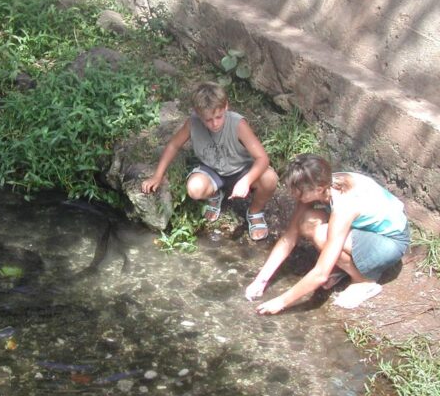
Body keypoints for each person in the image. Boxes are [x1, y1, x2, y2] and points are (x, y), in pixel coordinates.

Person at [245, 154, 411, 313]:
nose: (294, 195)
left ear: (318, 189)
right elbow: (289, 236)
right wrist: (261, 280)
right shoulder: (323, 182)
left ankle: (364, 281)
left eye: (298, 192)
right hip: (367, 231)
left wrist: (281, 302)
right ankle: (344, 268)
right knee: (307, 221)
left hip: (391, 242)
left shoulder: (344, 205)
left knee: (322, 235)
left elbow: (321, 274)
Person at [140, 81, 277, 241]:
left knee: (270, 178)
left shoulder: (238, 124)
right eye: (208, 120)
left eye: (219, 117)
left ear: (226, 106)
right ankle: (215, 195)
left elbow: (262, 158)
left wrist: (246, 181)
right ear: (198, 114)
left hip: (242, 170)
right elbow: (173, 145)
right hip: (213, 170)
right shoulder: (192, 123)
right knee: (194, 189)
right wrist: (157, 175)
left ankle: (254, 212)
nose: (215, 123)